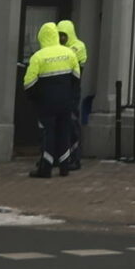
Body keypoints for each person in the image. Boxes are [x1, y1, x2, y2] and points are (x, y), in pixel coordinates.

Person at [21, 21, 81, 178]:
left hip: (46, 103)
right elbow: (76, 76)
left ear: (41, 37)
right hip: (65, 101)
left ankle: (46, 168)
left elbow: (28, 82)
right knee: (64, 131)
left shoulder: (38, 57)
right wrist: (70, 94)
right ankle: (64, 167)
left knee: (49, 132)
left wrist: (35, 98)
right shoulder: (69, 53)